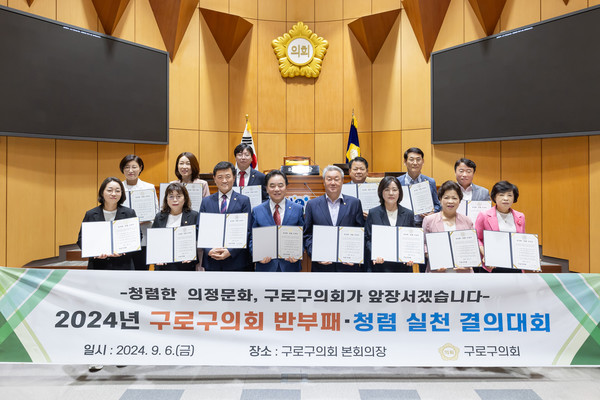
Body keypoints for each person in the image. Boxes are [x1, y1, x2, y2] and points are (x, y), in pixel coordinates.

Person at [304, 165, 364, 272]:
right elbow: (307, 235)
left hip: (348, 266)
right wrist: (316, 254)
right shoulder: (312, 205)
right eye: (329, 179)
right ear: (324, 182)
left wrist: (356, 256)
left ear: (342, 182)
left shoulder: (354, 203)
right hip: (321, 266)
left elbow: (361, 232)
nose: (333, 183)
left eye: (336, 179)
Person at [199, 161, 253, 271]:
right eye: (220, 177)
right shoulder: (206, 202)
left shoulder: (244, 201)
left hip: (236, 261)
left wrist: (230, 251)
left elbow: (247, 230)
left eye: (228, 176)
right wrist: (208, 250)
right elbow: (199, 228)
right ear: (214, 179)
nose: (224, 181)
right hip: (212, 260)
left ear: (234, 178)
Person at [77, 177, 137, 271]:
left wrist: (124, 251)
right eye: (109, 190)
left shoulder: (129, 213)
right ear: (102, 192)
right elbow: (81, 239)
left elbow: (137, 237)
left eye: (117, 191)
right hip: (98, 265)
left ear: (121, 193)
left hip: (123, 265)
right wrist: (94, 253)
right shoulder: (91, 214)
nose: (113, 194)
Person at [251, 170, 304, 272]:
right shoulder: (257, 210)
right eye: (272, 186)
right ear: (266, 188)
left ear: (286, 187)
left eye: (280, 185)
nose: (276, 189)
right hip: (265, 266)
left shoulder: (297, 209)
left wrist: (298, 253)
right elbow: (251, 238)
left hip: (290, 266)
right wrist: (257, 254)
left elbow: (303, 236)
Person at [365, 176, 416, 273]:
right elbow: (367, 239)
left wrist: (411, 256)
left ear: (399, 192)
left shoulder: (408, 214)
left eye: (394, 190)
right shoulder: (373, 213)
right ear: (381, 192)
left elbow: (412, 240)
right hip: (380, 266)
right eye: (387, 190)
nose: (391, 193)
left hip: (403, 267)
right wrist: (374, 254)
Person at [422, 181, 474, 273]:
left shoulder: (467, 221)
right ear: (440, 199)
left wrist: (468, 262)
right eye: (446, 198)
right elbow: (424, 244)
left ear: (459, 200)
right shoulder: (429, 220)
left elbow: (472, 247)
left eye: (454, 198)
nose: (450, 201)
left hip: (463, 273)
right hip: (437, 272)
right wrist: (434, 258)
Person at [475, 180, 525, 273]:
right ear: (494, 197)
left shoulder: (520, 216)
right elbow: (477, 238)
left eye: (509, 195)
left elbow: (522, 240)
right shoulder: (484, 215)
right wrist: (486, 254)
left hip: (514, 265)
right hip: (492, 265)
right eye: (501, 195)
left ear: (514, 198)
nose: (505, 198)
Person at [120, 154, 159, 270]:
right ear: (122, 169)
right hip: (123, 235)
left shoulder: (149, 187)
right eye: (127, 167)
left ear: (140, 168)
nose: (130, 170)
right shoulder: (118, 188)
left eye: (134, 167)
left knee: (142, 269)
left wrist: (142, 220)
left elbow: (156, 211)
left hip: (144, 235)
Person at [151, 183, 199, 271]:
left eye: (178, 196)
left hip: (185, 264)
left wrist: (191, 254)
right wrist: (156, 257)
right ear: (166, 199)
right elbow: (154, 241)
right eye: (171, 196)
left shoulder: (193, 215)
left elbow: (197, 240)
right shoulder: (159, 217)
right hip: (163, 265)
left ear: (185, 198)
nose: (175, 200)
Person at [398, 147, 441, 227]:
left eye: (418, 159)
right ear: (405, 162)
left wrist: (433, 212)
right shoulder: (397, 182)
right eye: (411, 159)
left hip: (424, 224)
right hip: (403, 224)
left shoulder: (430, 182)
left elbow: (437, 205)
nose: (415, 163)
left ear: (423, 162)